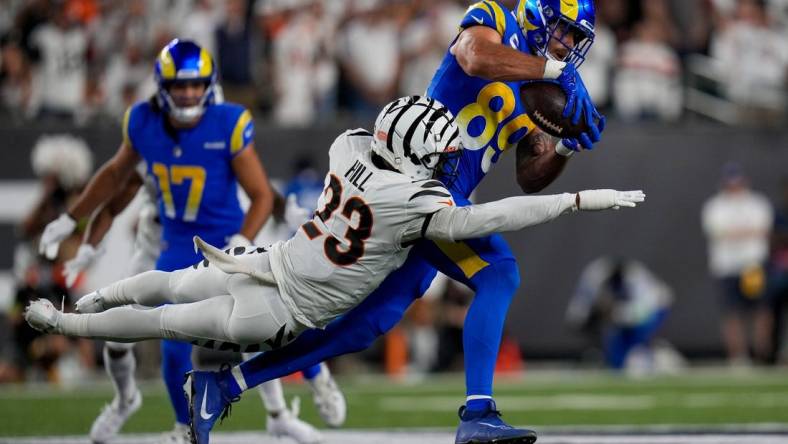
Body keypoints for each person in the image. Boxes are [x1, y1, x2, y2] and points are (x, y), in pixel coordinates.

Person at [26, 96, 641, 444]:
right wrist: (577, 199)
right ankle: (62, 326)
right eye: (435, 150)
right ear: (411, 153)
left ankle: (89, 301)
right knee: (165, 320)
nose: (444, 158)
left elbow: (376, 145)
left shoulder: (346, 148)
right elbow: (492, 215)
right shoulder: (412, 202)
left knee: (167, 286)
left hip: (268, 261)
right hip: (277, 310)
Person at [181, 1, 606, 443]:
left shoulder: (538, 83)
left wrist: (565, 149)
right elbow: (473, 57)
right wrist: (553, 73)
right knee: (499, 273)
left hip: (437, 203)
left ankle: (224, 385)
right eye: (566, 31)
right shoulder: (495, 20)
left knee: (369, 322)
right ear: (538, 14)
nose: (570, 45)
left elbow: (529, 175)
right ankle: (478, 411)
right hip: (411, 182)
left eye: (577, 38)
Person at [33, 39, 337, 444]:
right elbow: (114, 182)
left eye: (196, 85)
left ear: (209, 87)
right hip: (176, 243)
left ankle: (312, 380)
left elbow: (261, 191)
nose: (189, 94)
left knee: (273, 320)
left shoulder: (226, 123)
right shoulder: (145, 127)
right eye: (180, 85)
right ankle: (182, 423)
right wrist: (73, 221)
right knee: (170, 341)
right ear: (162, 88)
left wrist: (246, 237)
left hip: (228, 239)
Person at [62, 171, 333, 444]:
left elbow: (257, 184)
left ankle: (280, 411)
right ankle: (126, 401)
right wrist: (79, 231)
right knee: (122, 338)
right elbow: (116, 190)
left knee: (251, 323)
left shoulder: (219, 133)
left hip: (214, 238)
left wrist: (281, 212)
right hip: (161, 243)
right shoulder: (146, 139)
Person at [701, 163, 774, 366]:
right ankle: (738, 356)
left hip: (753, 265)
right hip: (726, 266)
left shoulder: (757, 203)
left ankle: (762, 354)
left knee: (760, 310)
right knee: (732, 313)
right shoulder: (715, 206)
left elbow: (762, 230)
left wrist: (735, 232)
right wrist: (745, 231)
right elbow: (718, 232)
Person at [565, 257, 674, 372]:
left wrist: (616, 313)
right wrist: (585, 317)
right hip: (623, 315)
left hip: (654, 309)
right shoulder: (596, 275)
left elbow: (641, 312)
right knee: (617, 363)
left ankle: (658, 355)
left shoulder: (636, 279)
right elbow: (579, 310)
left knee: (636, 349)